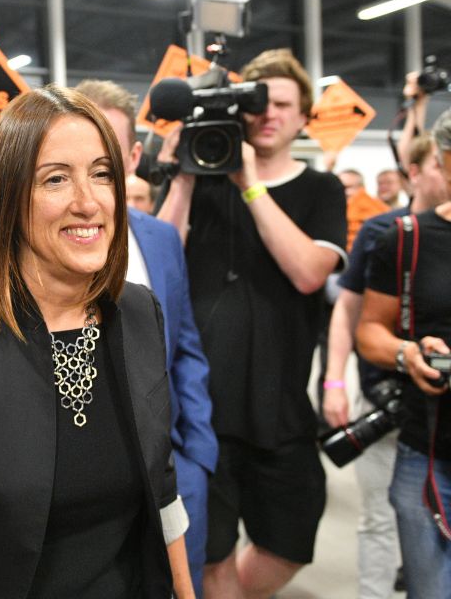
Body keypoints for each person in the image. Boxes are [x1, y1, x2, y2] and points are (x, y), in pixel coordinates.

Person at [0, 84, 194, 598]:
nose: (88, 202)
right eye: (56, 179)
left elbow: (161, 486)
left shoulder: (137, 312)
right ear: (8, 196)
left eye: (102, 174)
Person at [157, 48, 347, 598]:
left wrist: (251, 184)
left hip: (281, 409)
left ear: (304, 116)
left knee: (288, 543)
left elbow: (310, 272)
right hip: (201, 408)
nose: (268, 115)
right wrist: (187, 176)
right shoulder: (203, 178)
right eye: (259, 104)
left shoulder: (321, 190)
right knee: (210, 550)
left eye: (283, 104)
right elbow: (162, 260)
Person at [77, 78, 217, 597]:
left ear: (135, 155)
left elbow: (186, 349)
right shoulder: (37, 242)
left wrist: (198, 456)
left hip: (175, 471)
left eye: (109, 149)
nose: (95, 164)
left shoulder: (160, 238)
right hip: (78, 484)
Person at [323, 134, 448, 598]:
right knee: (380, 519)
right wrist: (335, 380)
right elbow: (351, 313)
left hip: (431, 415)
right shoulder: (388, 233)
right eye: (438, 162)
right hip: (392, 401)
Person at [357, 108, 451, 599]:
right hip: (428, 451)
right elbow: (369, 330)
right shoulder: (407, 239)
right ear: (445, 161)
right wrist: (408, 353)